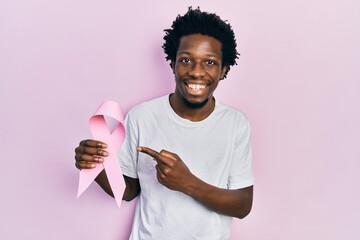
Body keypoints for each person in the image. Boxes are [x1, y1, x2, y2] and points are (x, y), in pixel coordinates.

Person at [75, 7, 254, 240]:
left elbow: (243, 205)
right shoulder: (142, 116)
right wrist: (94, 167)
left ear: (224, 70)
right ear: (172, 64)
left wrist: (186, 182)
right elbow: (129, 191)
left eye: (209, 62)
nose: (197, 72)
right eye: (186, 60)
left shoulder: (235, 124)